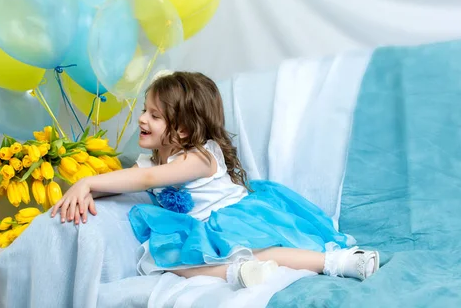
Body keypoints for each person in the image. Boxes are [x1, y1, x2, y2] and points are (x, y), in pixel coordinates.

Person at [51, 71, 379, 288]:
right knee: (166, 263)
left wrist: (89, 183)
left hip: (233, 218)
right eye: (144, 110)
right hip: (201, 227)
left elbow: (148, 178)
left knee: (267, 252)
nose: (141, 119)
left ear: (181, 129)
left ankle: (337, 262)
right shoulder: (152, 159)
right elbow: (136, 179)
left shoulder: (197, 158)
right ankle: (238, 274)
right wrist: (86, 192)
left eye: (154, 115)